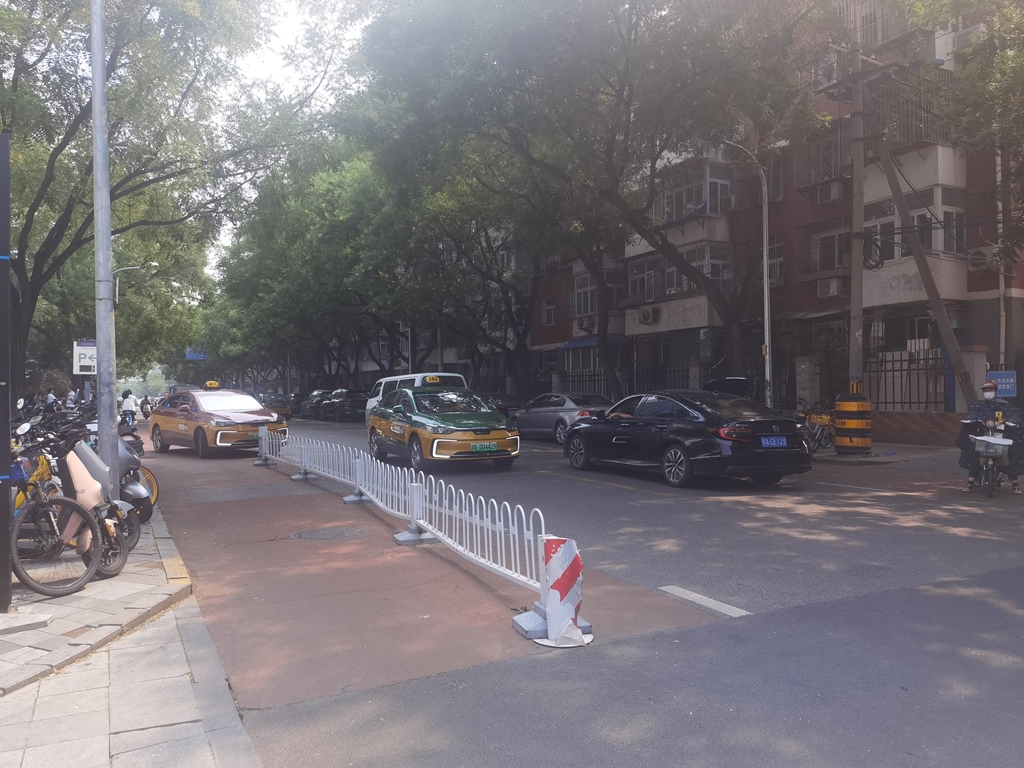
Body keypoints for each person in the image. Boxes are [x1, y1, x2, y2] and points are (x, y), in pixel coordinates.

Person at [957, 380, 1022, 494]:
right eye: (986, 390)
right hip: (983, 434)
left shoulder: (1003, 405)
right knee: (975, 454)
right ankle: (970, 483)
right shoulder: (979, 405)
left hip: (1000, 434)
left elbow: (1008, 416)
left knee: (1010, 453)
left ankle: (1015, 485)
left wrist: (1001, 422)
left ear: (995, 391)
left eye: (990, 390)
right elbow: (974, 415)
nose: (988, 392)